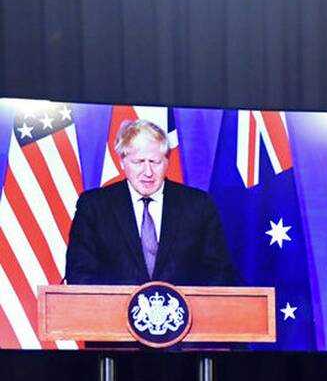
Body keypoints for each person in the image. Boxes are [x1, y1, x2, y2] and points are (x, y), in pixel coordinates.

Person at [65, 119, 239, 286]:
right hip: (112, 308)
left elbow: (219, 274)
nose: (148, 172)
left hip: (184, 307)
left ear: (167, 162)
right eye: (139, 162)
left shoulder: (198, 205)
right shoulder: (94, 207)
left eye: (155, 162)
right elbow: (79, 274)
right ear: (122, 162)